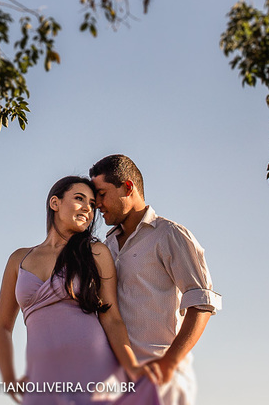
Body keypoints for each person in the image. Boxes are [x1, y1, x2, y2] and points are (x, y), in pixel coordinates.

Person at [0, 176, 161, 404]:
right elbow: (2, 326)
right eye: (79, 199)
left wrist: (132, 367)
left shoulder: (95, 252)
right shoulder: (19, 259)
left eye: (92, 204)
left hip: (96, 377)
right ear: (55, 203)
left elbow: (111, 319)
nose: (88, 209)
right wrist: (8, 377)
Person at [89, 155, 220, 405]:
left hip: (161, 383)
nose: (98, 205)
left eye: (102, 194)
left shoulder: (169, 235)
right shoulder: (106, 247)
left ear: (128, 188)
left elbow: (201, 303)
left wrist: (169, 363)